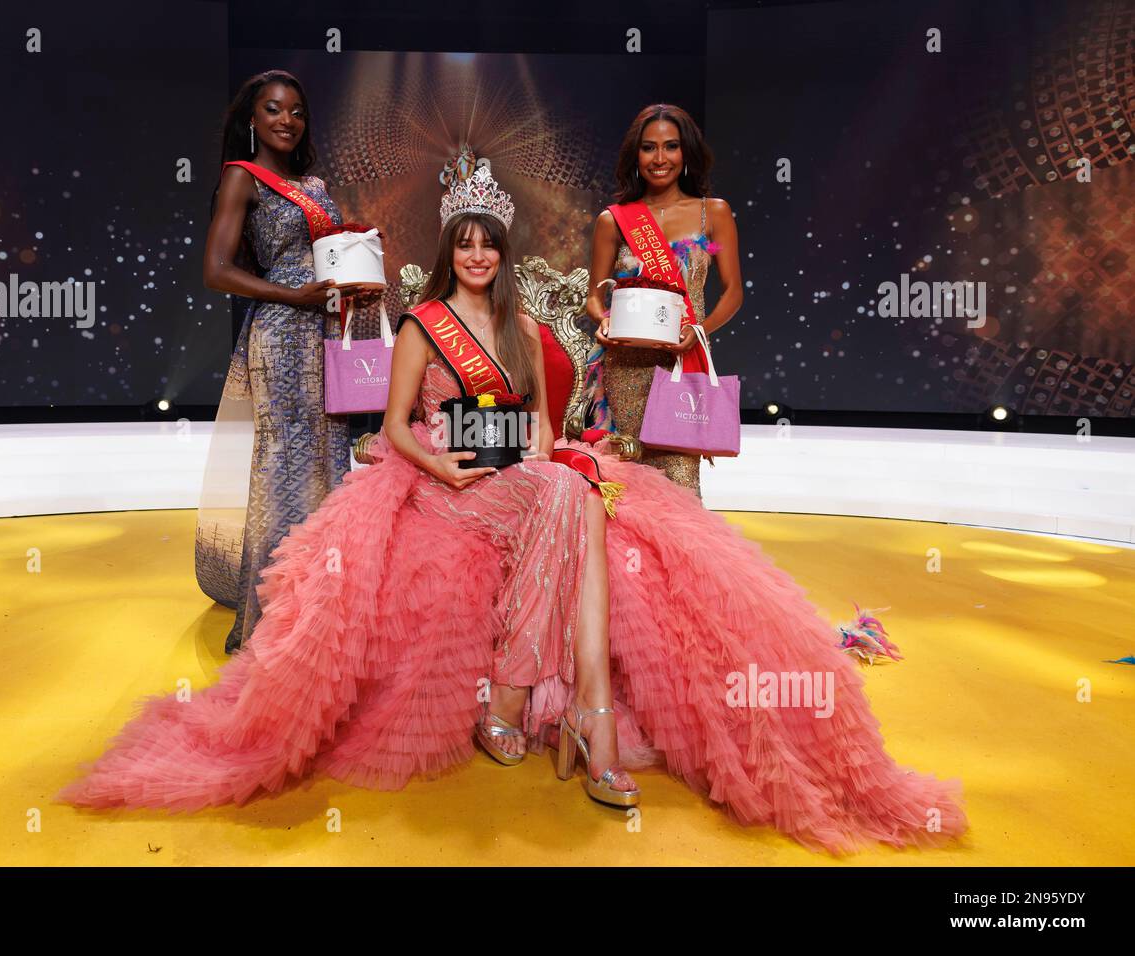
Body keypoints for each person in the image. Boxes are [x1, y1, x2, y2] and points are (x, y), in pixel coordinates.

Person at [62, 167, 967, 855]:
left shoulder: (524, 332)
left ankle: (548, 700)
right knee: (574, 500)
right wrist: (444, 468)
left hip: (520, 479)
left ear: (501, 250)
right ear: (450, 249)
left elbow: (537, 424)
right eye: (464, 244)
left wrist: (537, 456)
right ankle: (587, 726)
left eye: (488, 244)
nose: (477, 257)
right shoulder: (421, 326)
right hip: (443, 482)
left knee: (571, 487)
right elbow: (393, 427)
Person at [197, 70, 373, 653]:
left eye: (297, 111)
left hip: (326, 331)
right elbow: (216, 270)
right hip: (280, 333)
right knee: (283, 466)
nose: (287, 121)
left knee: (330, 460)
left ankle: (322, 608)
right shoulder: (240, 179)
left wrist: (355, 287)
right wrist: (291, 295)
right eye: (273, 110)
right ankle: (269, 617)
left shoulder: (315, 184)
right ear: (253, 119)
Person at [584, 103, 744, 495]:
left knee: (680, 487)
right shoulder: (614, 219)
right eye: (648, 148)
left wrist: (700, 330)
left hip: (681, 362)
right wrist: (602, 320)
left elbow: (734, 293)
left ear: (685, 152)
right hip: (624, 367)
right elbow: (593, 295)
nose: (660, 159)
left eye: (670, 147)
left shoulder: (715, 214)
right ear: (634, 155)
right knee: (625, 487)